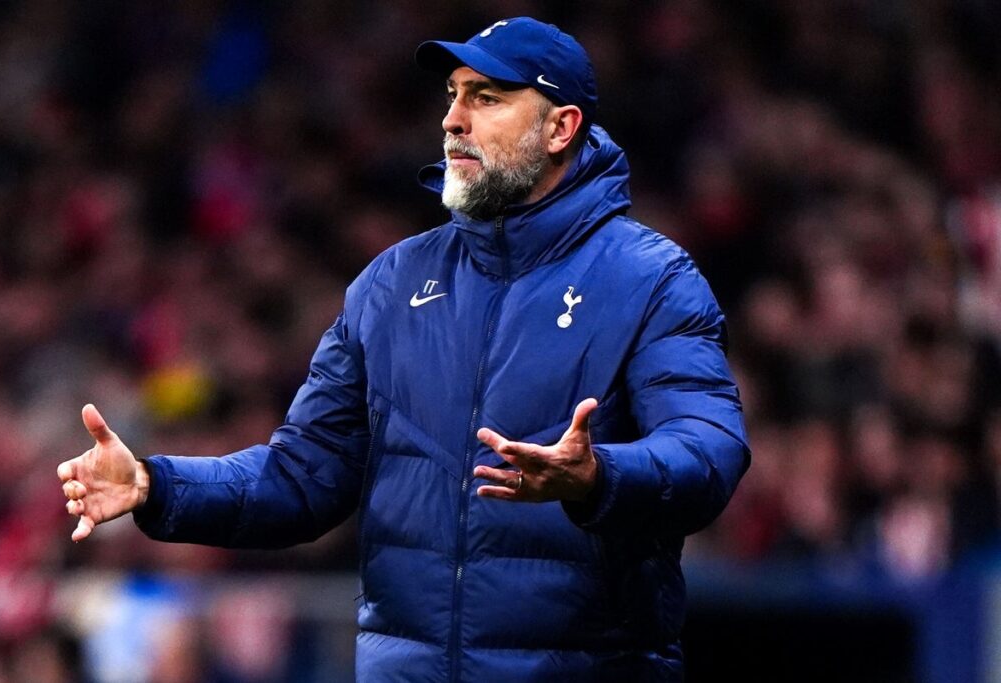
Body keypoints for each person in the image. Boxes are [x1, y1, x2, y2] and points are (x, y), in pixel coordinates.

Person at [57, 17, 750, 682]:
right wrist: (157, 484)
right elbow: (301, 476)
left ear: (561, 128)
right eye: (453, 95)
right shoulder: (390, 285)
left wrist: (600, 476)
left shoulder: (651, 278)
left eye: (487, 98)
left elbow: (710, 450)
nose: (453, 119)